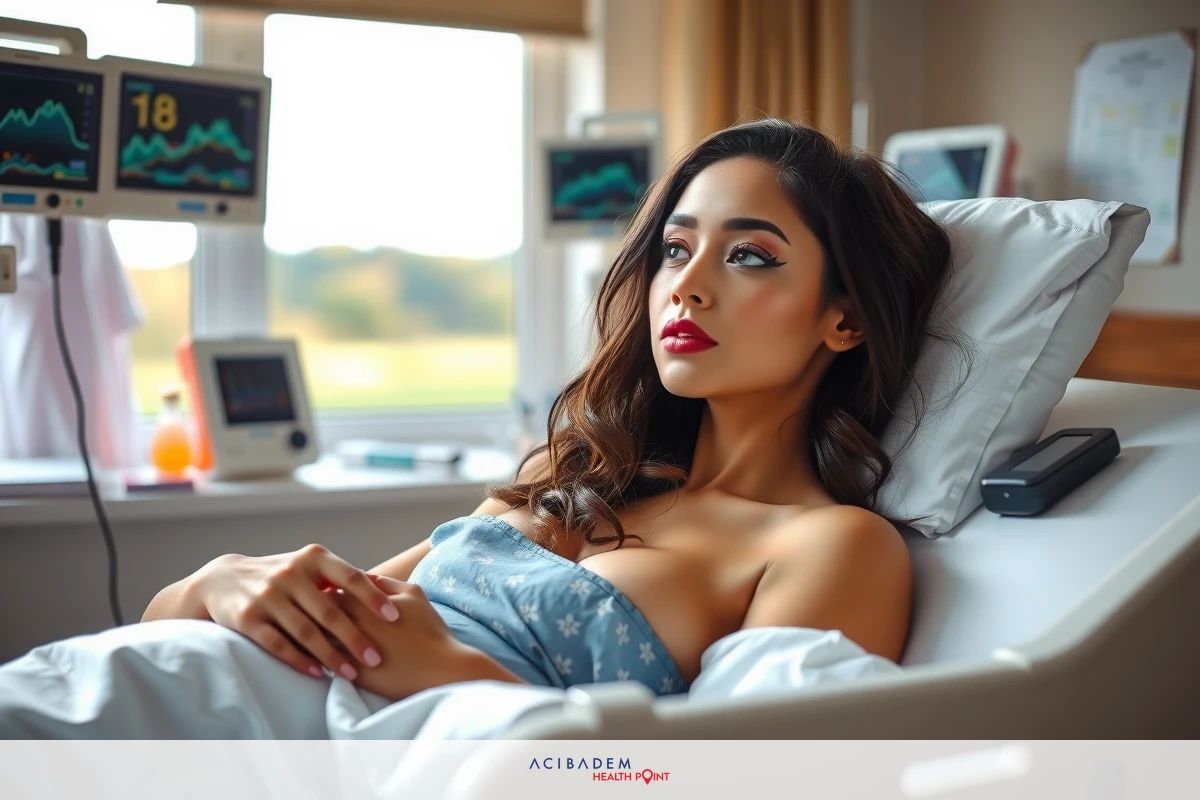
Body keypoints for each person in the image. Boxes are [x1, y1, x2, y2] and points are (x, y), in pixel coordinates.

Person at [142, 118, 956, 703]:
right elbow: (162, 624)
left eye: (748, 255)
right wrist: (223, 580)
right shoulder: (569, 475)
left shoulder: (834, 545)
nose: (687, 284)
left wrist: (457, 676)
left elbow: (736, 781)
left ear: (844, 318)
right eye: (675, 249)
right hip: (191, 693)